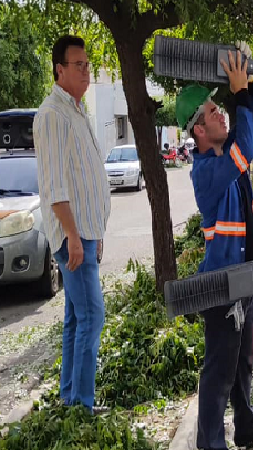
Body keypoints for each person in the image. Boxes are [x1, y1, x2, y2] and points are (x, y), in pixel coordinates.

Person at [176, 43, 253, 450]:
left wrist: (248, 83)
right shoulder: (208, 171)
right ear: (198, 129)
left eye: (220, 106)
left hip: (242, 277)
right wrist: (238, 93)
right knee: (219, 370)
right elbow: (246, 148)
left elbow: (251, 121)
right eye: (213, 111)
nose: (221, 113)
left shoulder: (225, 151)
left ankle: (246, 426)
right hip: (221, 286)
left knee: (243, 362)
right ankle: (210, 444)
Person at [33, 35, 111, 412]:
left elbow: (84, 177)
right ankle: (82, 407)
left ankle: (69, 400)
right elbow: (55, 187)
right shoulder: (53, 114)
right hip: (72, 237)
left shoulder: (77, 111)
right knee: (93, 316)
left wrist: (94, 234)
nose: (86, 70)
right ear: (59, 70)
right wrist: (74, 237)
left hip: (85, 235)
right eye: (78, 65)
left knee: (75, 319)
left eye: (87, 64)